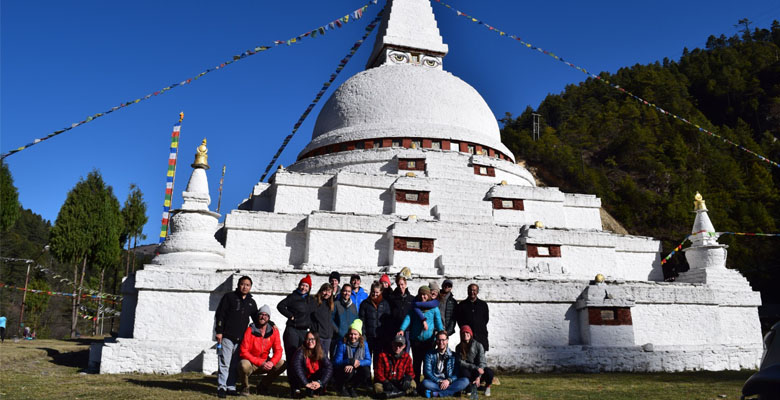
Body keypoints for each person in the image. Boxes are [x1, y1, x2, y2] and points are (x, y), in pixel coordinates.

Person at [215, 276, 259, 398]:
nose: (245, 287)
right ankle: (221, 387)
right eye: (242, 284)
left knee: (235, 364)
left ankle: (230, 386)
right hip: (227, 336)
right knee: (225, 362)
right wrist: (219, 331)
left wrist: (269, 324)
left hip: (241, 339)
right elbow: (220, 315)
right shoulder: (229, 297)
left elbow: (256, 319)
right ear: (238, 285)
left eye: (247, 285)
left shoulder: (251, 302)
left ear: (250, 287)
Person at [399, 286, 443, 384]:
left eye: (425, 295)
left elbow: (438, 322)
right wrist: (402, 329)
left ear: (429, 295)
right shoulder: (414, 308)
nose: (423, 297)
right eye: (421, 295)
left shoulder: (434, 309)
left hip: (429, 341)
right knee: (416, 363)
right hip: (416, 340)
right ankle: (416, 383)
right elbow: (408, 318)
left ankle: (427, 384)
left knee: (428, 364)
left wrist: (441, 334)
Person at [238, 305, 285, 396]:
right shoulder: (250, 330)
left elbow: (278, 350)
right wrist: (260, 362)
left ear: (269, 318)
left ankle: (263, 386)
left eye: (266, 315)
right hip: (251, 362)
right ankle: (245, 387)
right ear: (257, 316)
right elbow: (243, 351)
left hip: (265, 362)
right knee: (243, 365)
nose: (263, 317)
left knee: (282, 363)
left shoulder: (273, 331)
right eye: (261, 314)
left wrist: (271, 362)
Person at [277, 275, 313, 366]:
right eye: (302, 285)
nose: (304, 288)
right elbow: (280, 306)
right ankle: (292, 379)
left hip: (304, 331)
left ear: (309, 288)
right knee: (292, 355)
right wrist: (290, 315)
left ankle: (300, 379)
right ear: (299, 285)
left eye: (306, 286)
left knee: (303, 356)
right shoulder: (293, 297)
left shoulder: (310, 299)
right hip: (292, 330)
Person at [421, 331, 470, 398]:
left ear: (447, 341)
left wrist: (448, 381)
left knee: (465, 381)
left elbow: (456, 373)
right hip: (436, 382)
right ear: (436, 341)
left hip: (449, 382)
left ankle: (437, 394)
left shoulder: (454, 355)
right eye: (439, 340)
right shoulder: (429, 354)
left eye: (443, 340)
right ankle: (452, 392)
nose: (441, 342)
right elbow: (428, 372)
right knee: (425, 383)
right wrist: (439, 381)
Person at [333, 319, 372, 397]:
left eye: (355, 334)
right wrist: (349, 361)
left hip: (357, 365)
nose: (353, 337)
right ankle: (341, 387)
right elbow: (336, 362)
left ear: (359, 335)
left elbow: (369, 360)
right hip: (343, 367)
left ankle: (353, 388)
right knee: (349, 371)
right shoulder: (342, 343)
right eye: (351, 334)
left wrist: (358, 362)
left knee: (366, 372)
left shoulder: (364, 344)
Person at [289, 331, 333, 398]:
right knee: (294, 370)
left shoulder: (321, 351)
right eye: (308, 339)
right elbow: (296, 366)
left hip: (316, 377)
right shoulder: (301, 351)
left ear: (317, 340)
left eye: (312, 339)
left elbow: (328, 367)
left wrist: (320, 383)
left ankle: (316, 389)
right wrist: (306, 383)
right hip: (304, 377)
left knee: (325, 369)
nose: (310, 341)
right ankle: (296, 389)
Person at [358, 281, 392, 366]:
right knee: (366, 358)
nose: (375, 294)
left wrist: (386, 335)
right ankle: (367, 377)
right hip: (368, 336)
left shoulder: (385, 304)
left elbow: (387, 321)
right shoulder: (365, 304)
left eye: (377, 292)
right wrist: (363, 334)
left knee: (378, 360)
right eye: (373, 292)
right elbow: (362, 320)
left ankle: (377, 377)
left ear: (381, 292)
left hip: (380, 337)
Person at [456, 325, 494, 398]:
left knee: (489, 372)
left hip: (479, 370)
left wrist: (479, 376)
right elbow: (461, 362)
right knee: (463, 371)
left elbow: (482, 362)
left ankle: (487, 387)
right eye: (463, 333)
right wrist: (475, 368)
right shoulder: (458, 347)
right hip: (470, 370)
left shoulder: (478, 345)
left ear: (471, 334)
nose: (465, 334)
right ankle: (469, 386)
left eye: (467, 332)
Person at [374, 334, 415, 399]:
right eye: (396, 344)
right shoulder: (382, 355)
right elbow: (378, 373)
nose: (397, 348)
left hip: (399, 381)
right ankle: (403, 393)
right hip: (386, 381)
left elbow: (411, 372)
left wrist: (407, 378)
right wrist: (385, 382)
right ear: (392, 344)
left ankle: (392, 394)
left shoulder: (407, 357)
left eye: (400, 345)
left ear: (404, 346)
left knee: (413, 384)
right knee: (377, 387)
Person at [455, 283, 490, 351]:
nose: (472, 292)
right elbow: (459, 320)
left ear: (477, 292)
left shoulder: (483, 305)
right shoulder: (462, 305)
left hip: (480, 335)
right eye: (470, 290)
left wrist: (478, 325)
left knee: (480, 357)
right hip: (467, 336)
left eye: (474, 290)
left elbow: (486, 319)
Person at [311, 283, 337, 358]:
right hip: (319, 335)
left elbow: (329, 320)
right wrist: (315, 330)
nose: (327, 294)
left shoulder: (330, 304)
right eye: (325, 291)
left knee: (325, 357)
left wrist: (334, 330)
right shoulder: (314, 301)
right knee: (317, 356)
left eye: (329, 292)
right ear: (321, 290)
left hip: (328, 336)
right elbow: (310, 317)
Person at [333, 284, 358, 357]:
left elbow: (356, 321)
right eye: (345, 291)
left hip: (350, 338)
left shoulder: (353, 306)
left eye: (349, 291)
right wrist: (337, 330)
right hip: (339, 338)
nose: (347, 293)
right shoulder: (336, 304)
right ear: (342, 292)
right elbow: (331, 319)